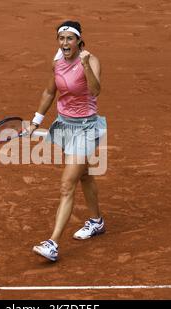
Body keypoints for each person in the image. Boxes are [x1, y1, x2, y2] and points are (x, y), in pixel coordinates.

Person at [27, 20, 107, 262]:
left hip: (86, 128)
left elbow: (95, 91)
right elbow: (50, 92)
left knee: (67, 184)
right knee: (84, 175)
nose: (64, 43)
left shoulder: (90, 61)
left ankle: (52, 243)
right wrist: (35, 121)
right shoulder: (57, 63)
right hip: (65, 126)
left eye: (69, 39)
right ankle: (97, 222)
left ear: (79, 41)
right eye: (61, 39)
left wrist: (85, 66)